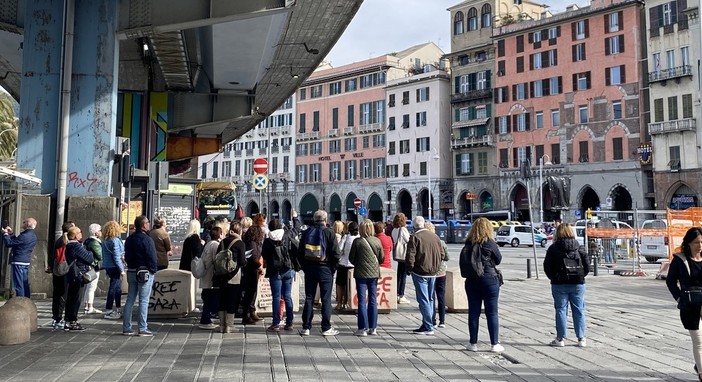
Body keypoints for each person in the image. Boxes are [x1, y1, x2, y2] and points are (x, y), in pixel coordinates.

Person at [459, 217, 504, 352]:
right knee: (492, 312)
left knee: (473, 312)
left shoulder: (468, 243)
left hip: (472, 280)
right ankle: (494, 344)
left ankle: (473, 343)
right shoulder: (490, 243)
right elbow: (498, 260)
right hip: (489, 280)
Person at [543, 223, 590, 348]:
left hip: (559, 284)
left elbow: (547, 267)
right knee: (579, 310)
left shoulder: (553, 249)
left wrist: (553, 277)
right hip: (577, 284)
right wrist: (580, 276)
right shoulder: (579, 247)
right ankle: (581, 338)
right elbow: (587, 266)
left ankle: (560, 338)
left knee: (561, 309)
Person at [297, 209, 341, 336]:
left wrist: (305, 267)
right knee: (326, 298)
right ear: (325, 220)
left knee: (309, 297)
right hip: (325, 269)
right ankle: (326, 327)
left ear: (314, 219)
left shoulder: (306, 232)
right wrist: (332, 268)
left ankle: (306, 327)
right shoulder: (329, 232)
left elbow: (300, 253)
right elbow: (336, 254)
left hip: (310, 268)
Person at [666, 227, 702, 381]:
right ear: (688, 243)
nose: (700, 246)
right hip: (690, 306)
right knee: (698, 341)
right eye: (696, 243)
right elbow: (670, 281)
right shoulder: (680, 260)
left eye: (701, 242)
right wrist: (679, 298)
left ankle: (699, 365)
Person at [262, 219, 300, 332]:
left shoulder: (268, 241)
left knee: (276, 297)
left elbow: (264, 255)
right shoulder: (287, 235)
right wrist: (294, 217)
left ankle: (276, 323)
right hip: (288, 269)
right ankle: (289, 322)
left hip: (275, 271)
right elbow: (297, 229)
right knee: (287, 296)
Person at [406, 216, 442, 336]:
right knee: (430, 299)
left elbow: (410, 256)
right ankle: (428, 322)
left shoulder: (415, 237)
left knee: (423, 300)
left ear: (414, 226)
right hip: (433, 272)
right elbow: (442, 254)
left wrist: (410, 269)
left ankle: (428, 326)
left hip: (420, 272)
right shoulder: (435, 236)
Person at [123, 215, 158, 336]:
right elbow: (152, 257)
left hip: (131, 270)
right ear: (143, 225)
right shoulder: (147, 239)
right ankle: (142, 327)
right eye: (148, 222)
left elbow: (126, 255)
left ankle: (127, 327)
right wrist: (153, 270)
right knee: (143, 300)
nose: (149, 224)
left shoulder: (129, 239)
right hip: (144, 272)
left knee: (130, 299)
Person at [348, 219, 384, 336]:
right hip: (374, 274)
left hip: (360, 274)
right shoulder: (377, 241)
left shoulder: (357, 242)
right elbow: (381, 258)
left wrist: (359, 263)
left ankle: (362, 328)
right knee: (373, 300)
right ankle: (373, 328)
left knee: (362, 301)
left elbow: (351, 259)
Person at [216, 221, 247, 333]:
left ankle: (221, 325)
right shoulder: (240, 243)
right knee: (232, 299)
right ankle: (229, 326)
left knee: (223, 299)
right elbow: (242, 261)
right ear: (239, 231)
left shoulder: (223, 241)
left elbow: (217, 256)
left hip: (222, 274)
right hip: (234, 275)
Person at [63, 226, 94, 331]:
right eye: (80, 232)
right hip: (78, 275)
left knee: (71, 298)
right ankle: (72, 321)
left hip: (73, 275)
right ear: (76, 235)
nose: (81, 234)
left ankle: (68, 321)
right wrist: (89, 252)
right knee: (76, 299)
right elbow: (89, 258)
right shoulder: (75, 246)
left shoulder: (70, 245)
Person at [2, 217, 38, 298]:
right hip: (25, 261)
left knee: (18, 283)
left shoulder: (24, 235)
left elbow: (9, 244)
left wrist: (5, 234)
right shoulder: (33, 236)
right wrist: (11, 234)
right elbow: (17, 243)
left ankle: (20, 301)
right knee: (24, 282)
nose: (23, 223)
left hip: (18, 261)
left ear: (28, 224)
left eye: (24, 222)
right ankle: (27, 300)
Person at [49, 221, 74, 329]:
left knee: (58, 295)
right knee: (62, 295)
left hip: (57, 270)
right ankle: (58, 318)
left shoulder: (59, 240)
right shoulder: (65, 242)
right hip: (64, 270)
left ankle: (56, 318)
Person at [198, 224, 224, 330]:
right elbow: (217, 260)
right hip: (211, 276)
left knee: (207, 297)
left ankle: (206, 318)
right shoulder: (215, 245)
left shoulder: (209, 244)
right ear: (219, 235)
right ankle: (205, 320)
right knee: (210, 298)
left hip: (206, 275)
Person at [426, 222, 449, 329]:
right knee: (441, 296)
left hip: (430, 273)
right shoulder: (441, 242)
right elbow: (447, 257)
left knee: (431, 297)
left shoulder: (425, 242)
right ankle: (442, 321)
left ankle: (433, 320)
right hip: (441, 272)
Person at [241, 224, 265, 324]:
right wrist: (259, 267)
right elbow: (254, 257)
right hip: (251, 270)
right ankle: (246, 315)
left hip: (249, 270)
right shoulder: (252, 243)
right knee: (250, 293)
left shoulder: (249, 242)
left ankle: (250, 313)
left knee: (251, 293)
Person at [102, 220, 125, 320]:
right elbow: (116, 256)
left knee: (117, 288)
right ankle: (109, 310)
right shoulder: (114, 241)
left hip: (108, 266)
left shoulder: (105, 240)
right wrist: (122, 270)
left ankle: (118, 308)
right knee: (113, 288)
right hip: (115, 267)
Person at [336, 221, 358, 311]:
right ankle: (348, 302)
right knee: (351, 285)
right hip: (354, 265)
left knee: (340, 284)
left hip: (344, 263)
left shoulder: (346, 237)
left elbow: (339, 249)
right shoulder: (359, 237)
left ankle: (340, 303)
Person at [83, 223, 103, 314]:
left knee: (88, 287)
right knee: (92, 287)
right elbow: (100, 255)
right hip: (94, 267)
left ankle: (86, 306)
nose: (101, 232)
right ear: (95, 233)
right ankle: (90, 306)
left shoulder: (87, 241)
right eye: (99, 230)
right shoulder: (95, 242)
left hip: (88, 266)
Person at [391, 213, 411, 304]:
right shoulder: (403, 229)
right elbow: (408, 240)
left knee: (399, 273)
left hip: (398, 254)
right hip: (403, 254)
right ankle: (401, 295)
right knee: (403, 275)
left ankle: (396, 293)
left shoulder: (394, 230)